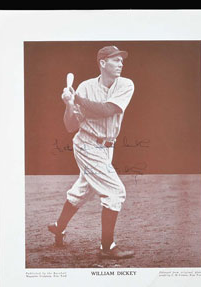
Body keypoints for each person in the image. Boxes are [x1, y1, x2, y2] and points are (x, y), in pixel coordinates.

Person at [48, 46, 135, 259]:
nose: (121, 63)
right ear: (102, 63)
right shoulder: (85, 88)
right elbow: (70, 126)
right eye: (115, 60)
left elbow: (107, 110)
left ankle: (59, 227)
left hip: (107, 147)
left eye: (121, 60)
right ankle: (107, 247)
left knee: (83, 190)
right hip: (87, 144)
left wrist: (76, 99)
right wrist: (69, 105)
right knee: (115, 192)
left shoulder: (126, 84)